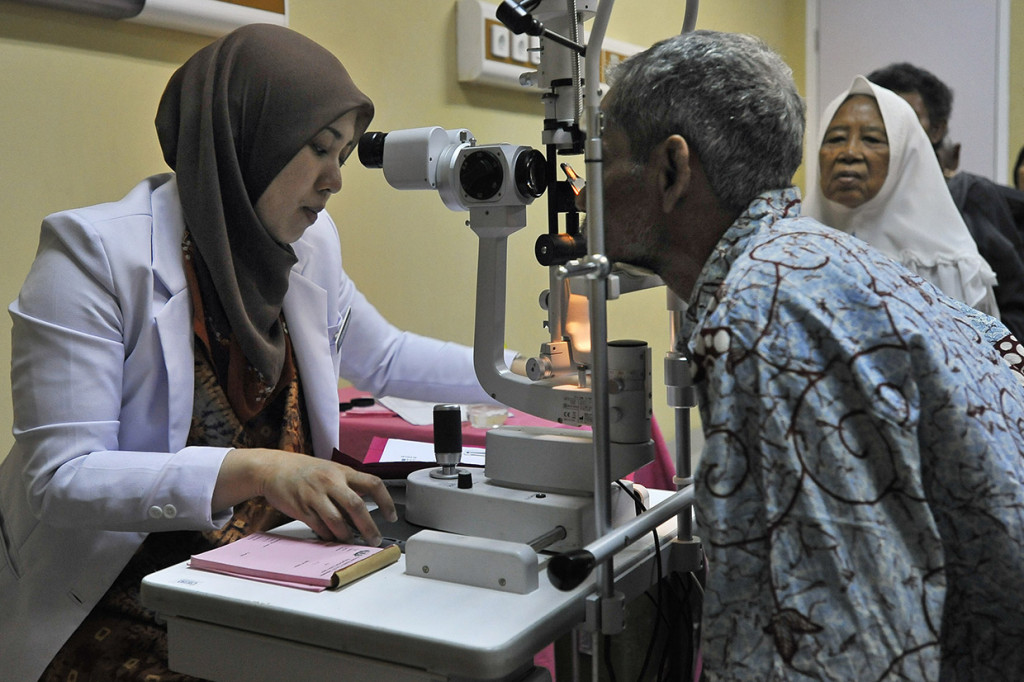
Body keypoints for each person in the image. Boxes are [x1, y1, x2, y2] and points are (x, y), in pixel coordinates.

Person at [0, 24, 517, 681]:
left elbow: (384, 357)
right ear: (249, 140)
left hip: (257, 582)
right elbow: (61, 478)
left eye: (346, 154)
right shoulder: (92, 256)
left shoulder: (305, 245)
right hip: (110, 598)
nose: (335, 181)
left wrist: (522, 377)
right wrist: (255, 471)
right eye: (319, 150)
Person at [582, 30, 1024, 680]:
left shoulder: (767, 311)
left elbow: (843, 650)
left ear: (672, 170)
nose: (580, 184)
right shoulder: (810, 256)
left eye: (601, 157)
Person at [803, 75, 1002, 320]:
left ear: (905, 157)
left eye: (872, 140)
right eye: (835, 139)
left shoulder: (950, 269)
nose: (849, 152)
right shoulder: (791, 250)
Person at [866, 61, 1024, 340]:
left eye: (905, 117)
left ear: (937, 130)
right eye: (880, 119)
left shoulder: (971, 198)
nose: (890, 129)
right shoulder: (854, 203)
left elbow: (1015, 305)